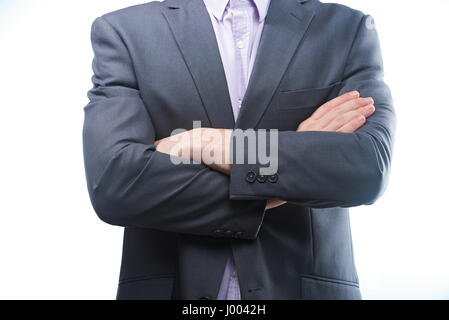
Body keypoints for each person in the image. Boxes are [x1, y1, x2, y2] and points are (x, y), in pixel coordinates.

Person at [83, 0, 395, 300]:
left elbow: (366, 167)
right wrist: (293, 161)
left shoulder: (347, 29)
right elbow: (115, 184)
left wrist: (203, 143)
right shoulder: (124, 31)